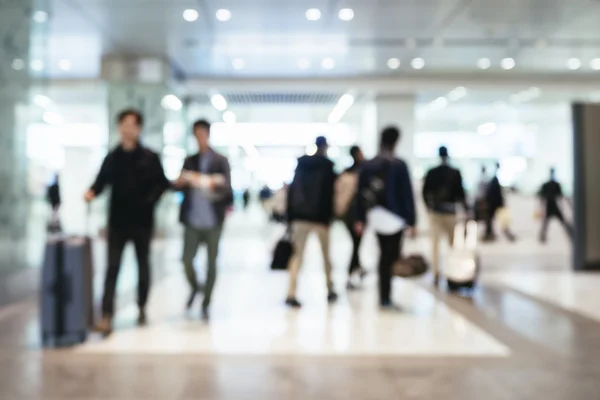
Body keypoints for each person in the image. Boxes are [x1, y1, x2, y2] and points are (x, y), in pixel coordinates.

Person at [84, 109, 171, 336]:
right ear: (119, 127)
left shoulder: (150, 157)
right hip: (118, 223)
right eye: (124, 124)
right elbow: (100, 182)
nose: (128, 128)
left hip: (142, 223)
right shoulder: (113, 157)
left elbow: (162, 184)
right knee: (112, 268)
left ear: (139, 128)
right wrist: (91, 192)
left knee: (143, 266)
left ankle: (141, 306)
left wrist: (149, 202)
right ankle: (106, 315)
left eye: (132, 124)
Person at [177, 119, 233, 321]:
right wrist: (182, 181)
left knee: (211, 263)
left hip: (213, 221)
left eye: (202, 133)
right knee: (186, 260)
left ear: (208, 134)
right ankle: (195, 287)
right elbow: (180, 184)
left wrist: (208, 182)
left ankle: (206, 302)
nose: (199, 137)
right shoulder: (189, 160)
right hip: (192, 220)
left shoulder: (220, 161)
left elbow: (227, 190)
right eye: (196, 134)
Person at [355, 126, 416, 310]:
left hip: (376, 216)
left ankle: (384, 295)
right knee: (391, 256)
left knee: (384, 255)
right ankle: (386, 295)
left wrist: (360, 218)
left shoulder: (369, 165)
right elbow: (407, 194)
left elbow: (360, 194)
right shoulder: (399, 164)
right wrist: (411, 221)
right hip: (395, 218)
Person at [285, 136, 337, 308]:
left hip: (300, 217)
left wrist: (290, 217)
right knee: (326, 256)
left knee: (297, 256)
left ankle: (291, 292)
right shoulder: (327, 166)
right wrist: (329, 217)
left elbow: (293, 191)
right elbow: (330, 195)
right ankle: (329, 289)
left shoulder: (302, 164)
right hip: (321, 219)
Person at [422, 146, 468, 286]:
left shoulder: (432, 172)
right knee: (452, 245)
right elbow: (461, 195)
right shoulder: (454, 173)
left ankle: (436, 273)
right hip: (450, 212)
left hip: (436, 212)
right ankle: (451, 273)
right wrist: (466, 211)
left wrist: (429, 207)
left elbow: (425, 192)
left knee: (435, 245)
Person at [334, 145, 366, 290]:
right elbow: (358, 199)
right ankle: (352, 273)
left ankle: (358, 268)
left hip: (347, 215)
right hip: (355, 216)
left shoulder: (345, 173)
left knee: (356, 244)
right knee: (356, 245)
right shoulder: (360, 173)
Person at [538, 168, 572, 243]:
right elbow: (542, 197)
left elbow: (561, 196)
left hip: (554, 206)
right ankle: (542, 237)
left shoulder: (555, 184)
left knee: (548, 223)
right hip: (550, 206)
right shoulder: (548, 185)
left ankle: (571, 233)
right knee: (546, 223)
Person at [483, 162, 504, 241]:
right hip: (492, 203)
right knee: (489, 218)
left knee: (490, 219)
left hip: (491, 202)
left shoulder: (494, 178)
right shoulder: (494, 179)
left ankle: (489, 233)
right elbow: (495, 193)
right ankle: (488, 233)